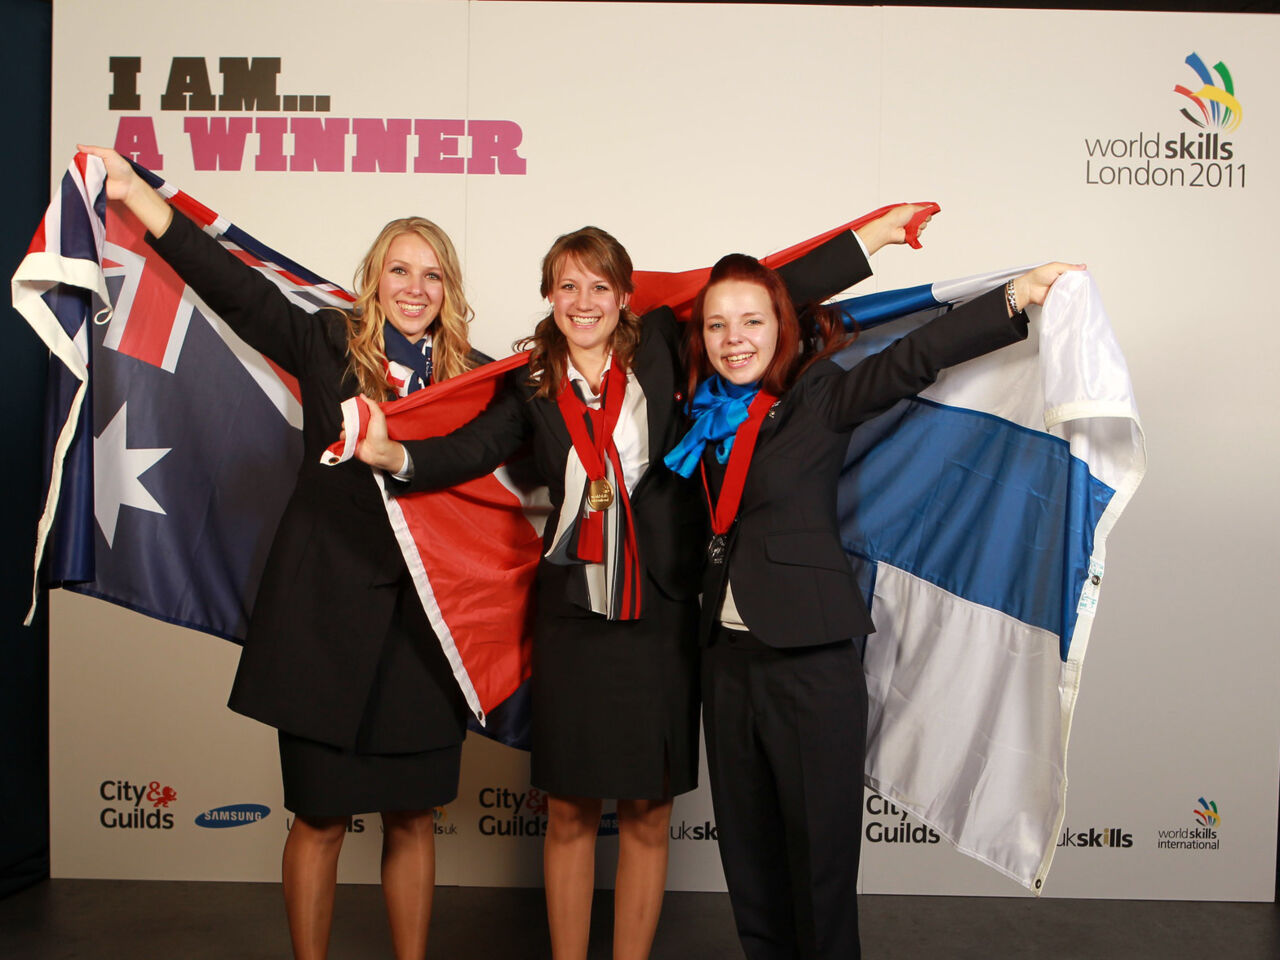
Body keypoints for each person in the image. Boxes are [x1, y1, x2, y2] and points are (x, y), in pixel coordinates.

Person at [352, 209, 924, 959]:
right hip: (572, 621)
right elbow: (471, 450)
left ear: (624, 296)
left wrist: (872, 241)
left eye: (599, 286)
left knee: (649, 811)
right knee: (569, 811)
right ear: (549, 297)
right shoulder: (530, 380)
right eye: (567, 286)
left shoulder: (661, 345)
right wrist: (392, 456)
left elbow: (760, 296)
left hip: (659, 612)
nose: (583, 301)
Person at [79, 144, 479, 960]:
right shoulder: (328, 345)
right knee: (321, 818)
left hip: (423, 638)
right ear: (374, 279)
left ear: (450, 291)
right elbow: (233, 287)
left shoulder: (474, 382)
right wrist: (133, 195)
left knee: (412, 814)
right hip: (319, 628)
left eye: (431, 274)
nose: (414, 288)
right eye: (399, 270)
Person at [665, 246, 1083, 959]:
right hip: (725, 666)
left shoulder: (817, 396)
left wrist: (1010, 299)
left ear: (781, 327)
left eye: (751, 320)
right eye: (716, 325)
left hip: (809, 666)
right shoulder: (698, 416)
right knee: (750, 869)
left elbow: (910, 359)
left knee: (818, 876)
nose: (734, 338)